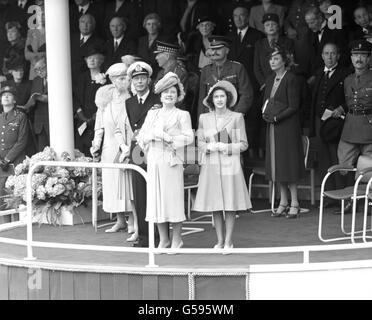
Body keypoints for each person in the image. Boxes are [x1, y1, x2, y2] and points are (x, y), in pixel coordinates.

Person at [137, 72, 194, 250]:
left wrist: (169, 139)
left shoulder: (182, 114)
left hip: (171, 160)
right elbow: (142, 136)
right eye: (166, 92)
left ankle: (177, 239)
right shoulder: (153, 114)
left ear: (178, 96)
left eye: (173, 92)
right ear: (160, 95)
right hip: (155, 160)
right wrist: (153, 136)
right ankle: (164, 239)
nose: (169, 95)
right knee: (157, 201)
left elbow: (189, 137)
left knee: (173, 200)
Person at [193, 80, 252, 251]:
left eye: (222, 96)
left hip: (229, 165)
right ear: (211, 99)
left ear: (228, 98)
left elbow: (243, 144)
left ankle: (228, 241)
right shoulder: (204, 118)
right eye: (216, 96)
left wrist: (226, 147)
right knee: (216, 205)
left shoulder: (236, 117)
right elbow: (200, 143)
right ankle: (219, 240)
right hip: (211, 164)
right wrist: (209, 147)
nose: (219, 99)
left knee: (230, 204)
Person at [262, 46, 305, 219]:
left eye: (276, 58)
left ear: (284, 61)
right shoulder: (271, 78)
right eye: (270, 59)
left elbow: (294, 106)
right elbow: (266, 101)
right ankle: (283, 201)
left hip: (287, 126)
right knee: (277, 164)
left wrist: (277, 117)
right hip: (272, 126)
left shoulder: (291, 78)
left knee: (289, 164)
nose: (272, 62)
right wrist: (266, 114)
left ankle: (295, 202)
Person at [91, 62, 134, 233]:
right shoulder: (104, 98)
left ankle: (132, 220)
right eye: (116, 78)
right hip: (109, 146)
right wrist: (96, 143)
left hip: (128, 145)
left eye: (123, 77)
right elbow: (99, 125)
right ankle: (120, 219)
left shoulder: (132, 97)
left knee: (128, 182)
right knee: (112, 184)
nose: (120, 81)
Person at [125, 61, 160, 246]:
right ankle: (145, 236)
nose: (139, 82)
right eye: (136, 78)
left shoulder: (157, 100)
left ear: (149, 80)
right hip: (137, 149)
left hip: (154, 147)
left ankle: (160, 235)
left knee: (156, 190)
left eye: (143, 78)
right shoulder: (129, 102)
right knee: (139, 193)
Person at [309, 43, 351, 197]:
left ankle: (341, 195)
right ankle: (328, 195)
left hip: (336, 123)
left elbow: (353, 97)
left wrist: (342, 108)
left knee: (336, 158)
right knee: (323, 159)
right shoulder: (318, 73)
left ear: (338, 55)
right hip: (319, 121)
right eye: (326, 53)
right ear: (322, 56)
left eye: (333, 53)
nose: (329, 56)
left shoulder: (346, 73)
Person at [197, 35, 254, 120]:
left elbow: (247, 95)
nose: (214, 52)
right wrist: (200, 123)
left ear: (227, 50)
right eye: (212, 49)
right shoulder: (206, 70)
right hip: (210, 118)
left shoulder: (237, 68)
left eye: (218, 49)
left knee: (228, 134)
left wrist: (235, 115)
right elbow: (202, 99)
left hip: (231, 117)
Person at [337, 40, 372, 173]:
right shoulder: (348, 80)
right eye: (356, 55)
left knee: (368, 170)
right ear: (351, 58)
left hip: (369, 127)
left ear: (369, 58)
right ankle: (349, 192)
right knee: (343, 166)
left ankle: (366, 194)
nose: (359, 59)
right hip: (350, 127)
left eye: (363, 55)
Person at [0, 86, 28, 223]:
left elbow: (22, 141)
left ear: (15, 100)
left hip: (14, 162)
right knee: (1, 197)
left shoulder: (20, 117)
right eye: (3, 95)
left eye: (9, 95)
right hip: (1, 164)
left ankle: (16, 225)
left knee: (13, 196)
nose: (6, 97)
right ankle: (5, 225)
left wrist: (7, 159)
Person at [73, 45, 106, 157]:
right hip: (82, 121)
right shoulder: (82, 78)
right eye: (89, 58)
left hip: (98, 122)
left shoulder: (105, 79)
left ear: (101, 60)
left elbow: (106, 101)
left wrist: (94, 118)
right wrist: (82, 117)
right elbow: (76, 99)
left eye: (95, 57)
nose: (91, 60)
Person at [23, 56, 49, 152]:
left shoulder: (57, 78)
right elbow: (32, 98)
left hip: (54, 121)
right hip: (40, 123)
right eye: (36, 69)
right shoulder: (36, 80)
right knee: (42, 154)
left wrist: (43, 98)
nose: (39, 72)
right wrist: (27, 106)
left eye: (41, 68)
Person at [137, 13, 164, 79]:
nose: (151, 26)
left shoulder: (163, 40)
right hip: (143, 73)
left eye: (154, 24)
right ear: (145, 26)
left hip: (157, 74)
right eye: (148, 24)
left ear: (158, 25)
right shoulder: (141, 40)